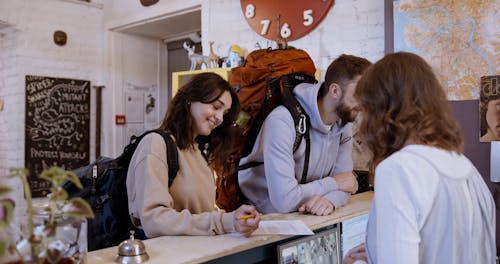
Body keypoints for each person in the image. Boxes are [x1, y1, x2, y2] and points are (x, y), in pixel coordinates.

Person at [343, 52, 496, 264]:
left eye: (363, 109)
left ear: (381, 109)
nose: (361, 120)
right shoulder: (465, 167)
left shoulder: (398, 169)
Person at [126, 72, 261, 238]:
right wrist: (223, 222)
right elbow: (154, 221)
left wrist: (235, 220)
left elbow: (202, 214)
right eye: (216, 107)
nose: (219, 118)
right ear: (190, 99)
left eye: (224, 114)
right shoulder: (155, 144)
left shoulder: (198, 151)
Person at [238, 54, 371, 215]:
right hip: (264, 220)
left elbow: (347, 184)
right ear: (335, 91)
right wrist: (334, 183)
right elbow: (284, 201)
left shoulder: (343, 124)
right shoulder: (282, 121)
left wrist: (330, 200)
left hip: (305, 218)